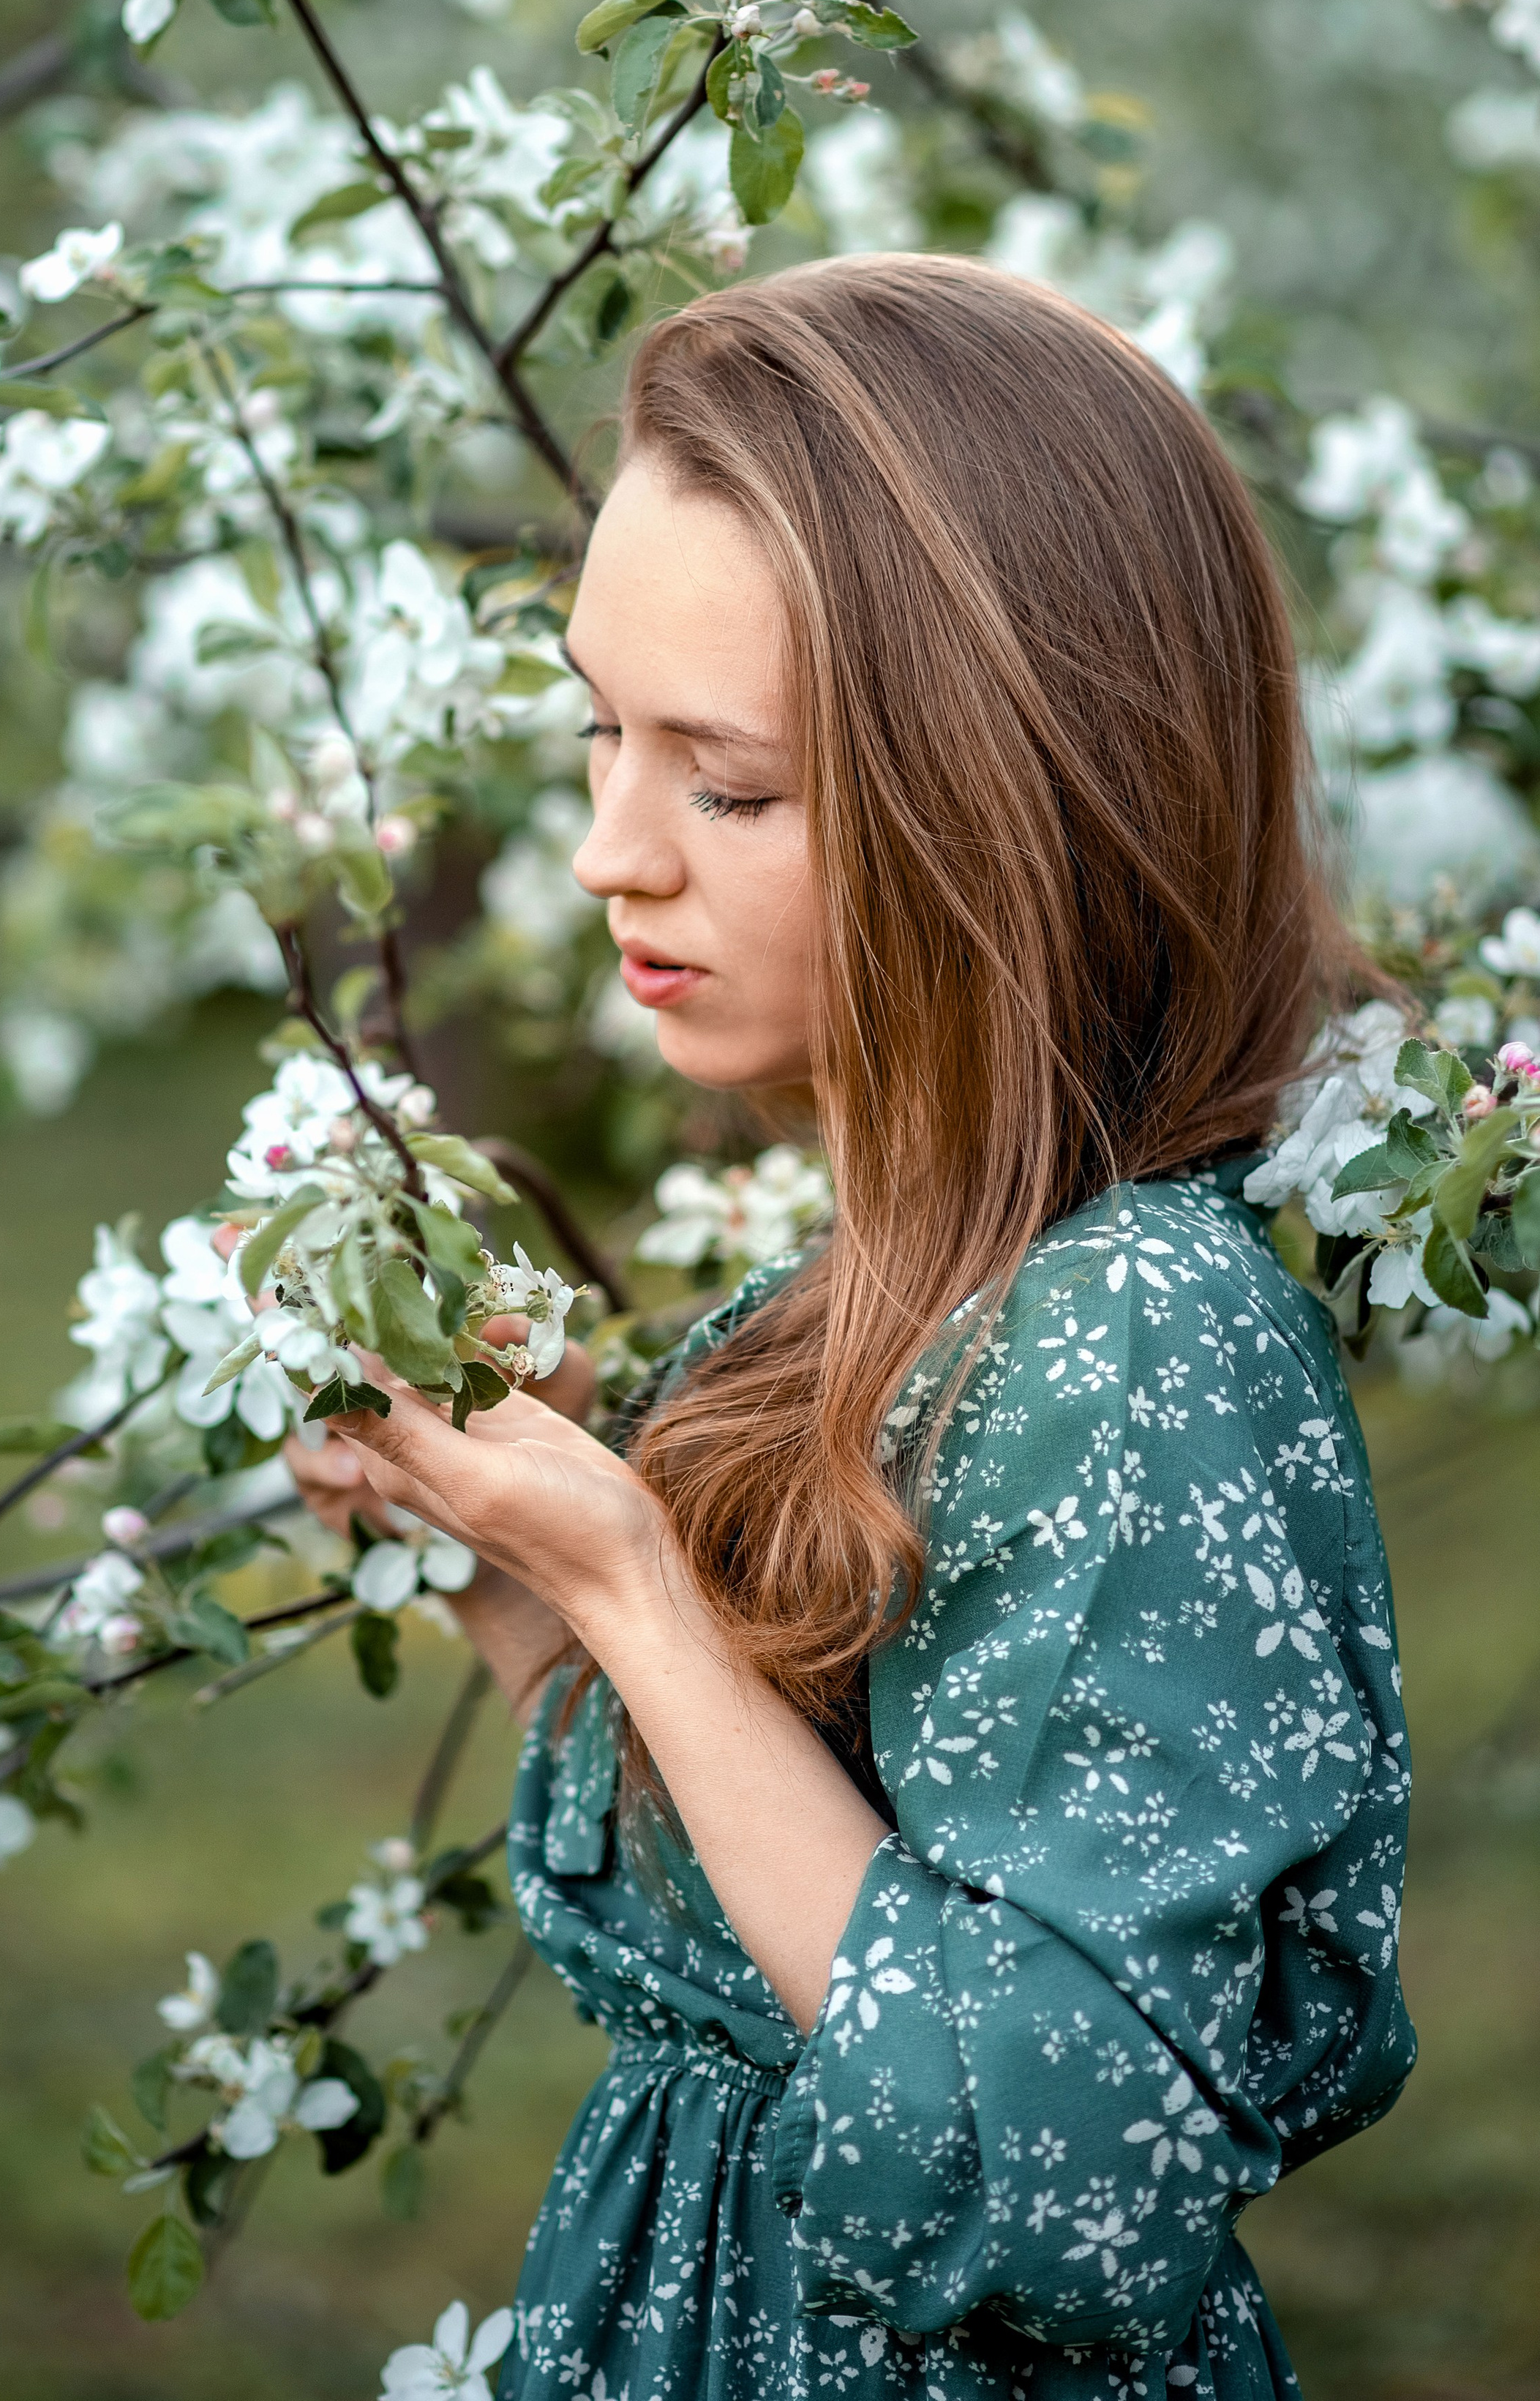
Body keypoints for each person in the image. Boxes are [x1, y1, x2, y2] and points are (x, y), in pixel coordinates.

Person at [294, 255, 1416, 2399]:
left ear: (1005, 804)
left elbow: (1076, 2178)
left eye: (726, 785)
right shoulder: (898, 1281)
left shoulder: (1135, 1341)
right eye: (599, 734)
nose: (612, 853)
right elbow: (790, 1913)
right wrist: (519, 1561)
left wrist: (639, 1581)